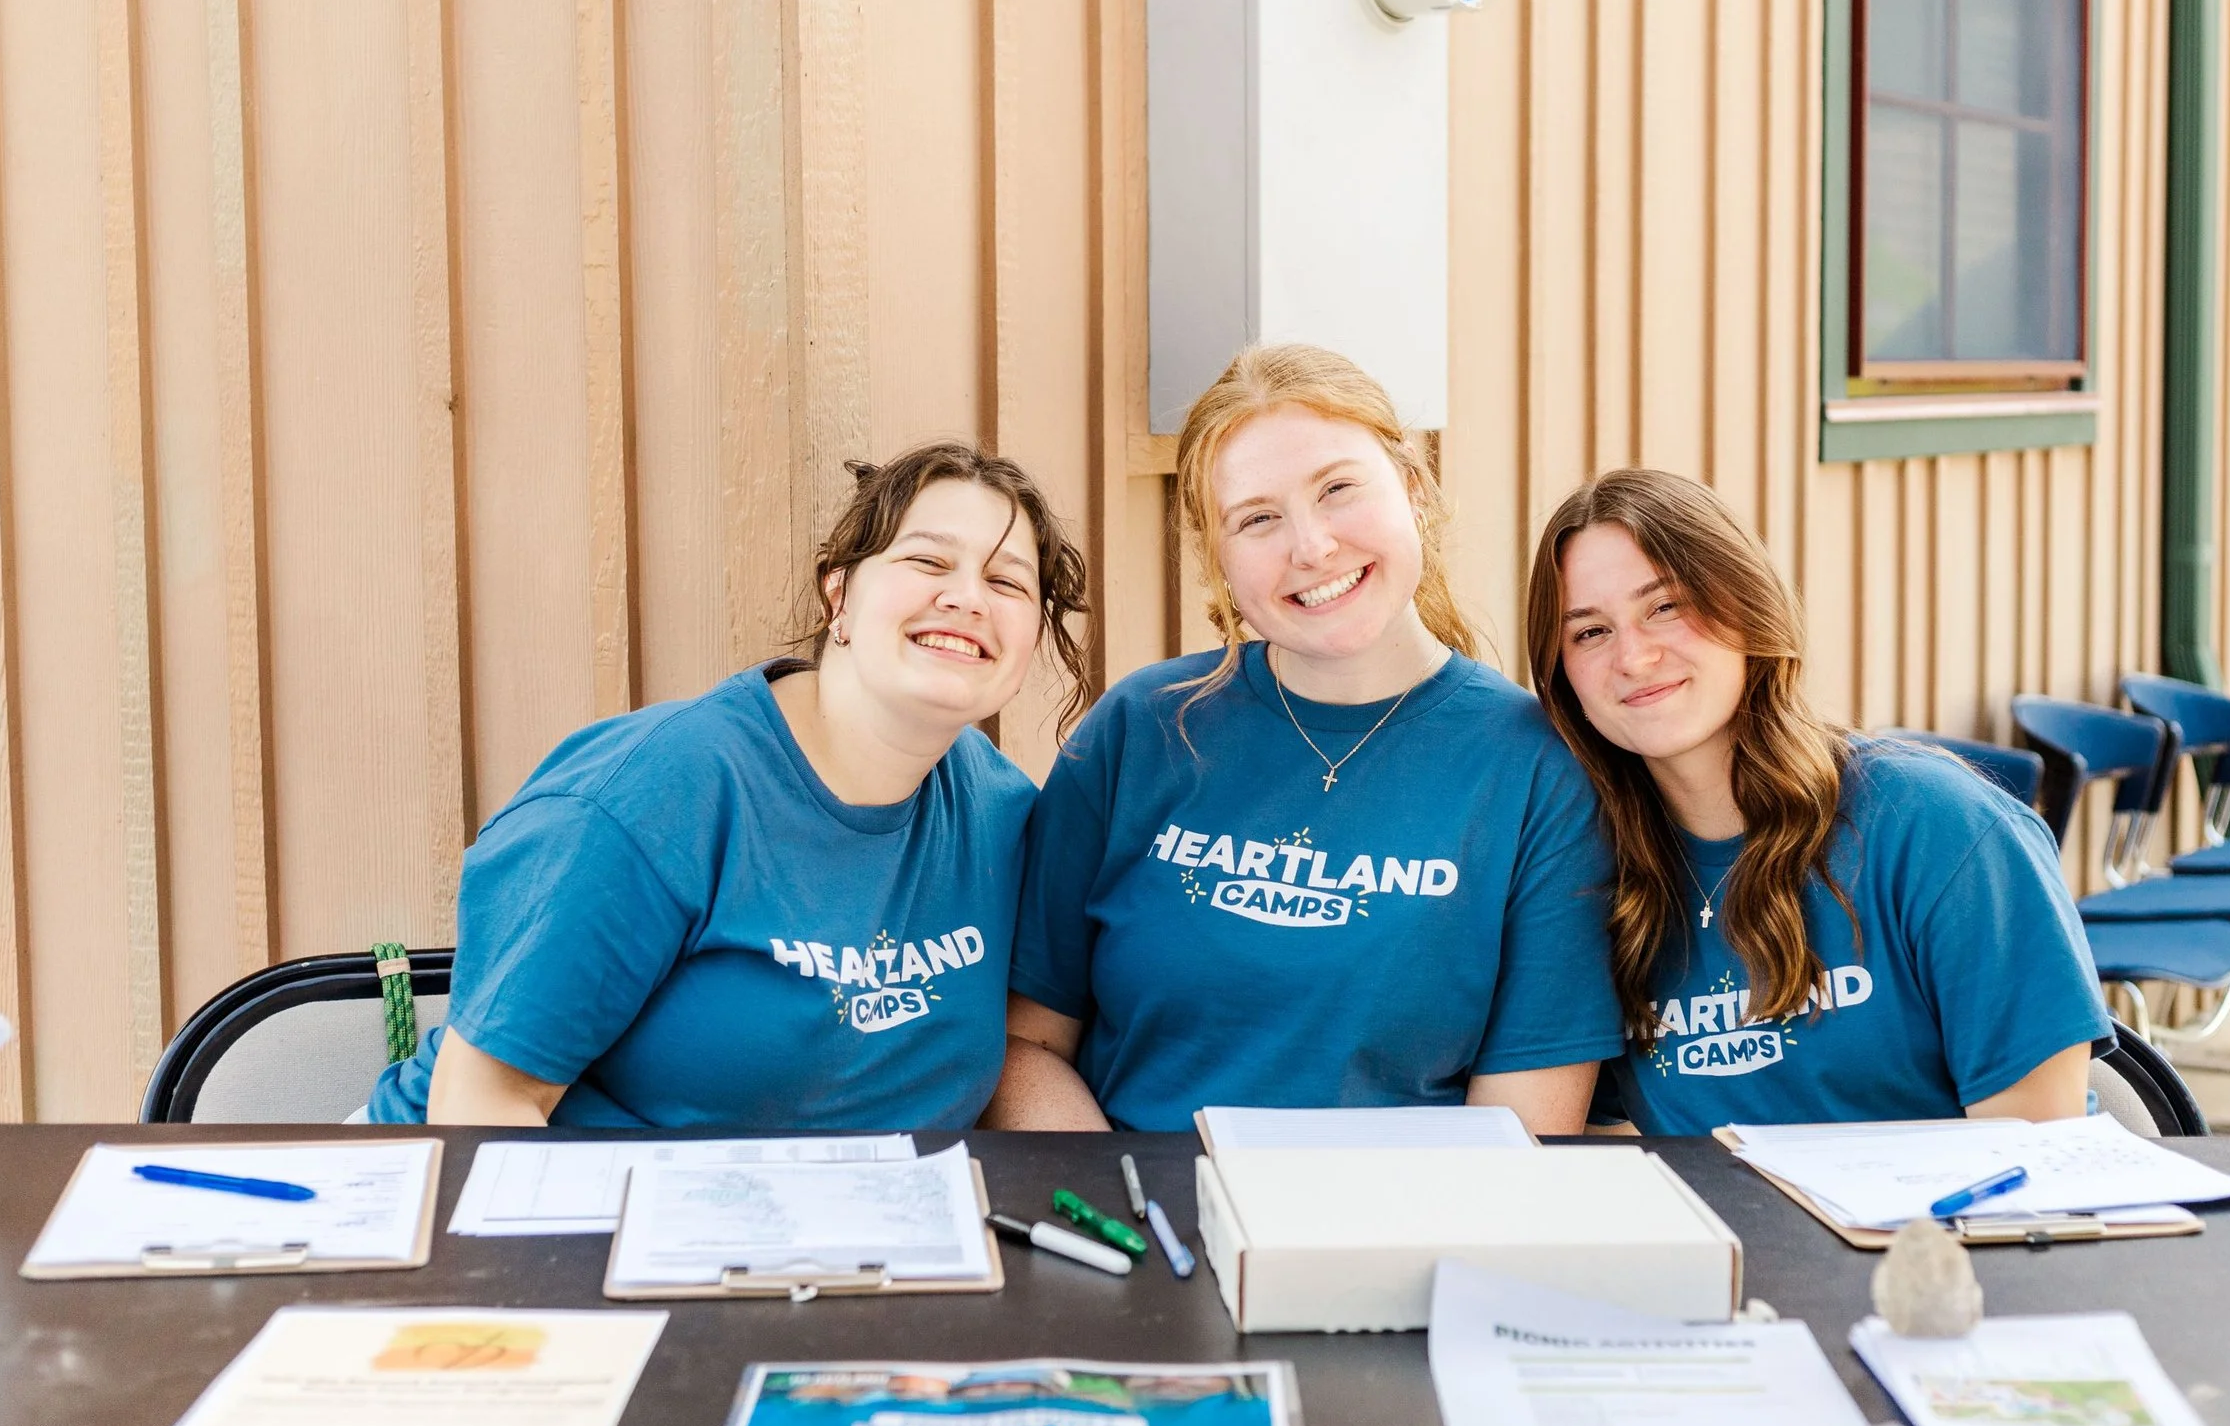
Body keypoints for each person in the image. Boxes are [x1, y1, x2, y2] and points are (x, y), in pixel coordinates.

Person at [989, 344, 1624, 1134]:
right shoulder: (1142, 729)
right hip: (1141, 1230)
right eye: (1257, 518)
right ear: (1218, 558)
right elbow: (1026, 1043)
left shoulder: (1534, 771)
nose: (1311, 546)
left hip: (1395, 1238)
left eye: (1338, 490)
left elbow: (1524, 1127)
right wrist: (1124, 1212)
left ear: (1415, 488)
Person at [369, 442, 1096, 1128]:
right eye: (928, 561)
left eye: (1005, 581)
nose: (968, 599)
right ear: (837, 597)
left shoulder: (1000, 816)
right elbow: (485, 1105)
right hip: (474, 1214)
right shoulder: (654, 799)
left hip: (845, 1242)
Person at [1522, 467, 2111, 1134]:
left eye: (1666, 606)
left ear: (1747, 605)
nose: (1633, 657)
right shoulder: (1588, 878)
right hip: (1728, 1239)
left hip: (1937, 1236)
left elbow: (2037, 1158)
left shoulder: (1939, 828)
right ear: (1560, 673)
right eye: (1590, 632)